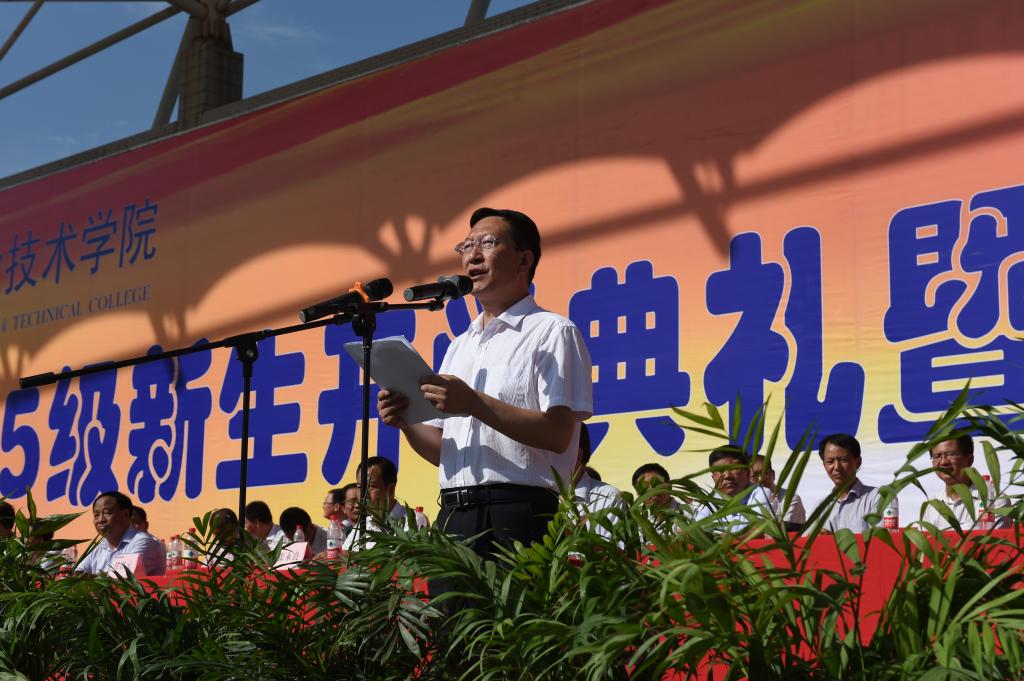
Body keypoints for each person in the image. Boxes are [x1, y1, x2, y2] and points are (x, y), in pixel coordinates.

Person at [378, 207, 593, 559]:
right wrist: (407, 422)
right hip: (454, 516)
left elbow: (557, 434)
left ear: (524, 260)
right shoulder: (460, 345)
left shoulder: (553, 332)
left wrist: (473, 403)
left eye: (488, 243)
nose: (472, 256)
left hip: (520, 515)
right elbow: (442, 451)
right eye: (466, 246)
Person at [921, 435, 1010, 530]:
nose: (943, 462)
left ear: (969, 460)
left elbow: (993, 538)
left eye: (950, 454)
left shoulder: (993, 499)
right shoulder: (931, 506)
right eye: (937, 456)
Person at [76, 492, 165, 576]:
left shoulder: (143, 541)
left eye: (107, 513)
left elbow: (123, 578)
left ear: (126, 514)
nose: (101, 520)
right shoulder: (97, 547)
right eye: (96, 515)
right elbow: (77, 574)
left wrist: (87, 578)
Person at [693, 447, 773, 533]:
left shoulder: (761, 493)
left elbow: (758, 530)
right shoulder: (712, 500)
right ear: (713, 478)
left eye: (733, 468)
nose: (727, 476)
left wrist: (720, 538)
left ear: (747, 472)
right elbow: (696, 530)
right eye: (720, 470)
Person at [815, 433, 884, 533]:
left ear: (858, 462)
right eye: (830, 461)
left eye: (843, 460)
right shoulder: (820, 507)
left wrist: (831, 539)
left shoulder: (878, 497)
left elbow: (882, 539)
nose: (837, 467)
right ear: (824, 465)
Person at [570, 423, 626, 538]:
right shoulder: (539, 495)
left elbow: (614, 548)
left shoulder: (609, 497)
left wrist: (573, 535)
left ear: (577, 455)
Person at [342, 457, 408, 553]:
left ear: (391, 489)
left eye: (370, 486)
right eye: (360, 487)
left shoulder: (412, 520)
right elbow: (344, 554)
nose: (363, 494)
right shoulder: (364, 523)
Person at [751, 454, 806, 531]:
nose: (760, 479)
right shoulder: (746, 501)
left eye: (764, 473)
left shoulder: (790, 498)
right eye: (754, 475)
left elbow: (783, 531)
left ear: (773, 474)